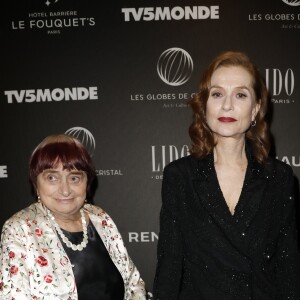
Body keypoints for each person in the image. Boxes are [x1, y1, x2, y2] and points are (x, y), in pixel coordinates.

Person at [153, 51, 300, 299]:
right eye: (217, 93)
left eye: (240, 95)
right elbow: (169, 266)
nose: (227, 105)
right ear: (204, 105)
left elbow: (289, 268)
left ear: (255, 109)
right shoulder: (180, 176)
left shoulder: (280, 178)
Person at [0, 134, 146, 299]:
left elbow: (134, 284)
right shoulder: (20, 228)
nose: (65, 190)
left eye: (74, 178)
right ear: (36, 183)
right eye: (52, 177)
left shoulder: (101, 218)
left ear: (87, 182)